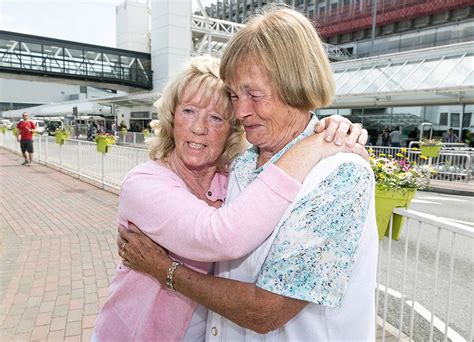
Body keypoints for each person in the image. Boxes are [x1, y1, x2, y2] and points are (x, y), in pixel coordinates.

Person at [118, 6, 377, 341]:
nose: (240, 111)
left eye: (254, 95)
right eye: (234, 95)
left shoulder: (339, 175)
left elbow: (265, 310)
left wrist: (165, 270)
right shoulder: (243, 164)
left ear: (296, 85)